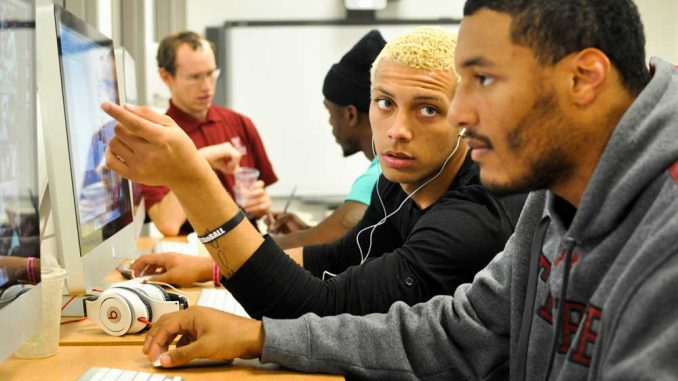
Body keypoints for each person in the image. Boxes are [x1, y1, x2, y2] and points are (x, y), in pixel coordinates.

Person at [108, 0, 678, 379]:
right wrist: (260, 338)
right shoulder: (549, 204)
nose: (460, 111)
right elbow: (458, 331)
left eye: (483, 80)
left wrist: (194, 181)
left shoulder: (664, 234)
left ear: (583, 79)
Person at [106, 27, 519, 319]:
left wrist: (191, 177)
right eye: (385, 103)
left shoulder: (470, 220)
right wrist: (208, 269)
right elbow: (337, 256)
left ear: (465, 118)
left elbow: (314, 306)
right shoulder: (403, 183)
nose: (397, 130)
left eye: (428, 109)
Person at [145, 31, 277, 236]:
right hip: (198, 253)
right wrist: (201, 160)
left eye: (210, 73)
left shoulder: (240, 124)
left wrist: (263, 205)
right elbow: (167, 224)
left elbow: (261, 200)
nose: (206, 86)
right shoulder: (157, 139)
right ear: (166, 77)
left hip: (252, 245)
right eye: (195, 77)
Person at [265, 30, 386, 249]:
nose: (330, 122)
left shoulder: (381, 175)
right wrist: (307, 232)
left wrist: (251, 244)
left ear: (350, 114)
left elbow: (331, 241)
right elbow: (338, 240)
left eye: (330, 112)